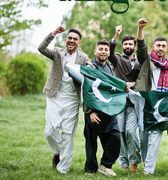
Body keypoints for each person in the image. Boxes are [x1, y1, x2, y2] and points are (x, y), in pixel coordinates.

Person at [38, 26, 89, 174]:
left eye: (75, 39)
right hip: (54, 95)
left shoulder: (83, 58)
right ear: (66, 40)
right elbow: (41, 48)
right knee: (49, 131)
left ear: (79, 43)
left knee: (68, 133)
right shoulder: (57, 52)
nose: (72, 40)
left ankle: (63, 168)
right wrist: (53, 33)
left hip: (73, 98)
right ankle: (58, 152)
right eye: (70, 38)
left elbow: (91, 72)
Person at [133, 18, 168, 175]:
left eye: (163, 46)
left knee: (155, 138)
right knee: (143, 138)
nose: (161, 48)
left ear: (166, 48)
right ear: (153, 47)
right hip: (145, 104)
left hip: (160, 106)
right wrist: (140, 28)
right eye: (158, 45)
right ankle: (145, 162)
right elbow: (141, 48)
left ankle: (148, 170)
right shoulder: (147, 61)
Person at [83, 40, 120, 177]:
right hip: (93, 111)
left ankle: (105, 165)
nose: (103, 51)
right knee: (91, 142)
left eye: (106, 49)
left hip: (109, 111)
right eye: (101, 49)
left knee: (116, 137)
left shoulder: (111, 67)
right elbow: (86, 90)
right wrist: (90, 112)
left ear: (109, 52)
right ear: (95, 51)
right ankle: (90, 169)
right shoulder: (90, 66)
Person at [108, 25, 141, 172]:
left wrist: (133, 84)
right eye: (125, 44)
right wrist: (116, 35)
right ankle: (124, 164)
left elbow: (143, 79)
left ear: (134, 46)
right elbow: (110, 53)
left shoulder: (141, 61)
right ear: (123, 46)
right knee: (120, 132)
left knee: (131, 132)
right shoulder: (117, 59)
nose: (128, 46)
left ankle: (135, 159)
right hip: (119, 102)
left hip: (134, 103)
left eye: (130, 44)